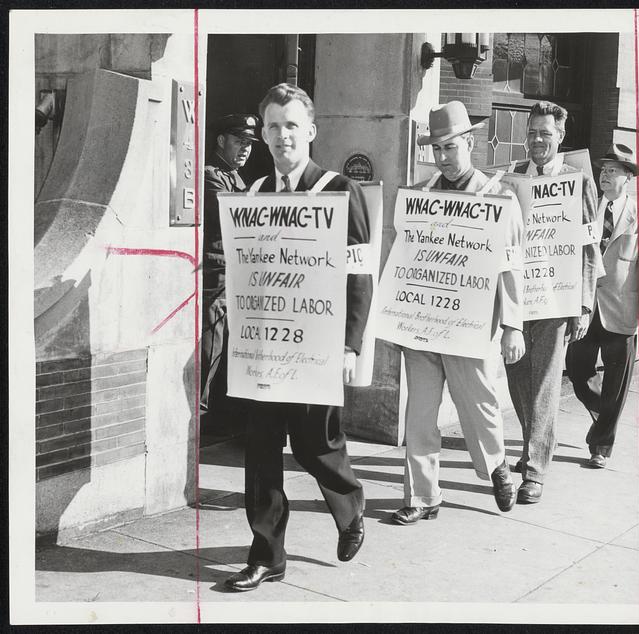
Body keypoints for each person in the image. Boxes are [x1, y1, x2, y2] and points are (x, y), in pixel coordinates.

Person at [224, 84, 372, 591]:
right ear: (263, 134)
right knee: (261, 453)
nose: (281, 135)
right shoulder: (251, 195)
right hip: (265, 351)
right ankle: (267, 554)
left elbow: (359, 277)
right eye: (272, 126)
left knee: (316, 447)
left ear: (310, 131)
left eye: (291, 125)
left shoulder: (338, 190)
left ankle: (350, 509)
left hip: (317, 348)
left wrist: (351, 346)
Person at [391, 101, 525, 526]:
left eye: (451, 147)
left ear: (469, 143)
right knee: (420, 413)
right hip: (424, 324)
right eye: (437, 149)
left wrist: (512, 325)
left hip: (471, 324)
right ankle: (423, 496)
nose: (444, 157)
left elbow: (511, 266)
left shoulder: (497, 197)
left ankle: (497, 466)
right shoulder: (422, 195)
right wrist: (396, 315)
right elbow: (405, 260)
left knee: (479, 404)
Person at [504, 100, 603, 503]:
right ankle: (534, 447)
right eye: (532, 133)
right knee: (517, 380)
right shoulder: (511, 180)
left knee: (544, 382)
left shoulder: (577, 180)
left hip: (556, 300)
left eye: (546, 133)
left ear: (560, 137)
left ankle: (535, 471)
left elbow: (590, 248)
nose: (538, 140)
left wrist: (584, 304)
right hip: (516, 299)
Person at [565, 143, 639, 468]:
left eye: (611, 171)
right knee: (577, 370)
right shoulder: (586, 208)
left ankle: (601, 447)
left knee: (617, 384)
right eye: (603, 169)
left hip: (622, 308)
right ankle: (601, 413)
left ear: (628, 177)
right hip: (585, 306)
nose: (604, 175)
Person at [201, 114, 260, 418]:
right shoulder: (210, 174)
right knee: (210, 350)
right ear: (221, 141)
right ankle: (198, 411)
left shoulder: (238, 180)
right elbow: (234, 218)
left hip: (237, 278)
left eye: (249, 143)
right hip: (216, 276)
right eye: (239, 141)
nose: (245, 149)